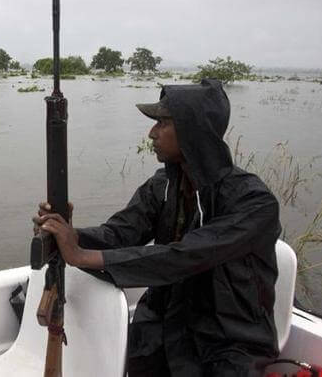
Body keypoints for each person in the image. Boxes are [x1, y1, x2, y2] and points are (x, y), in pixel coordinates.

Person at [33, 79, 281, 376]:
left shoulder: (254, 202)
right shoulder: (161, 186)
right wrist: (70, 234)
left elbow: (187, 256)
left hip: (230, 338)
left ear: (193, 132)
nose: (151, 133)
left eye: (162, 123)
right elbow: (118, 235)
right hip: (165, 322)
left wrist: (81, 256)